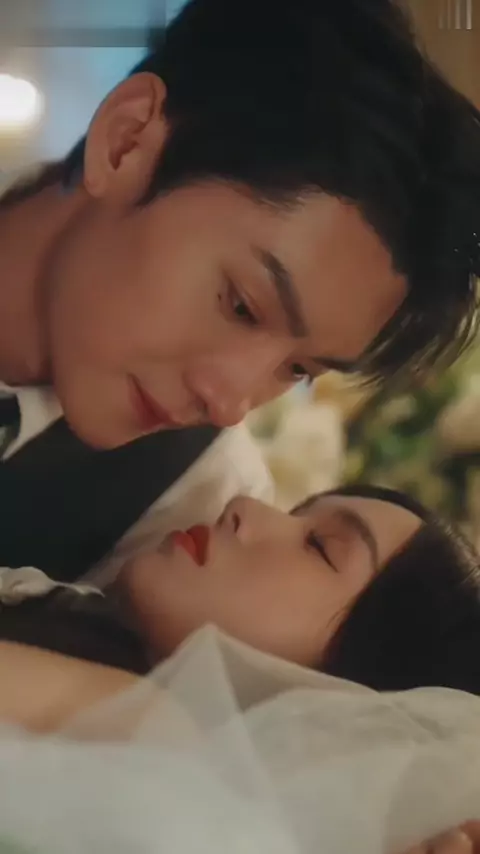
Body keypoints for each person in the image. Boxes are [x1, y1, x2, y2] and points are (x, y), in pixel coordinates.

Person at [1, 0, 480, 580]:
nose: (229, 404)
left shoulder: (195, 516)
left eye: (297, 369)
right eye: (241, 306)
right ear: (125, 141)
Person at [0, 485, 479, 853]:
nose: (244, 505)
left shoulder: (146, 740)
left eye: (320, 546)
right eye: (295, 511)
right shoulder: (69, 616)